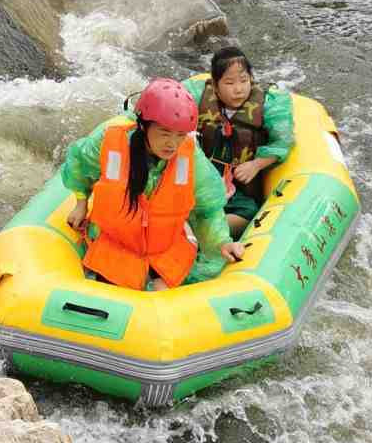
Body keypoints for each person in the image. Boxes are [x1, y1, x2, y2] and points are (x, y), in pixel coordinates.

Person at [61, 78, 245, 291]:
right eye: (165, 133)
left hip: (166, 252)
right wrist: (81, 201)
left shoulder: (188, 154)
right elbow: (78, 164)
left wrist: (222, 243)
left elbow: (208, 210)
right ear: (143, 126)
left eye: (179, 135)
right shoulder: (110, 141)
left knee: (163, 293)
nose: (172, 144)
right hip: (114, 250)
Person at [189, 47, 295, 235]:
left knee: (249, 214)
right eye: (229, 83)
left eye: (244, 80)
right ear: (215, 85)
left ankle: (203, 232)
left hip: (239, 189)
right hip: (203, 182)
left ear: (251, 79)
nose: (238, 89)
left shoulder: (269, 105)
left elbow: (282, 142)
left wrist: (256, 165)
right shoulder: (198, 97)